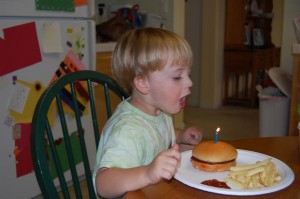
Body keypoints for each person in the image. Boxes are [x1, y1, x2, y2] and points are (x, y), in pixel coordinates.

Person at [93, 27, 203, 198]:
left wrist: (180, 137)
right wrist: (148, 173)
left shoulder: (158, 112)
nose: (189, 82)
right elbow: (103, 184)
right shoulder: (127, 131)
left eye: (188, 74)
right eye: (177, 76)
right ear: (143, 83)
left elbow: (154, 135)